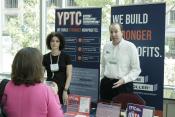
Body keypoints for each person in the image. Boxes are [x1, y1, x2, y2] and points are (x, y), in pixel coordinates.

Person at [1, 47, 64, 117]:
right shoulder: (46, 90)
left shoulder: (8, 86)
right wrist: (55, 95)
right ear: (38, 67)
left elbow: (5, 110)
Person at [100, 23, 141, 101]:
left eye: (116, 31)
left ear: (122, 32)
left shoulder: (130, 47)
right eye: (111, 32)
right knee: (105, 111)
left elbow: (136, 69)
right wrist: (102, 78)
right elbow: (103, 65)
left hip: (123, 86)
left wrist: (124, 80)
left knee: (122, 112)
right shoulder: (106, 46)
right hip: (106, 85)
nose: (113, 34)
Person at [43, 32, 72, 105]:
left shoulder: (66, 57)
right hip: (49, 89)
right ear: (49, 43)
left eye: (57, 41)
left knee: (63, 112)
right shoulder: (45, 57)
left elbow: (69, 75)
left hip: (63, 90)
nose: (54, 43)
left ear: (60, 43)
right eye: (52, 41)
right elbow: (40, 75)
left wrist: (65, 90)